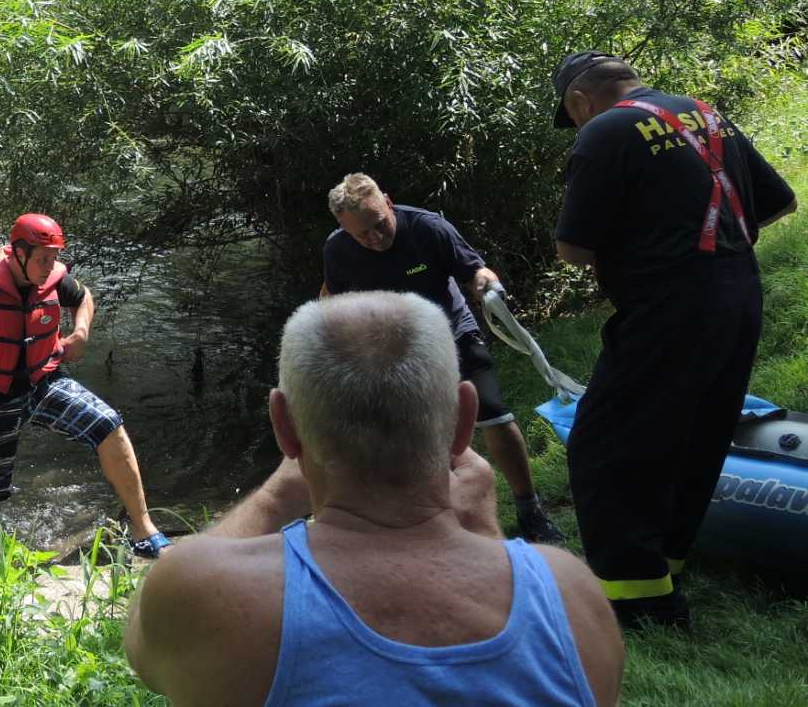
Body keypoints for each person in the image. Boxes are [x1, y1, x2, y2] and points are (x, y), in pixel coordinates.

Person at [123, 292, 623, 707]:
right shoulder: (570, 596)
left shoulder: (201, 591)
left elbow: (143, 651)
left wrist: (277, 495)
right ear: (464, 420)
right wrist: (482, 529)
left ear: (283, 425)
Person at [551, 51, 796, 628]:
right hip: (739, 295)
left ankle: (638, 603)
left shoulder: (605, 131)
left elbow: (573, 248)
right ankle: (666, 564)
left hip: (668, 306)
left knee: (604, 445)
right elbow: (781, 202)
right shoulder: (703, 114)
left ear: (581, 102)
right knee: (697, 434)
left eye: (573, 115)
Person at [320, 172, 564, 544]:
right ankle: (435, 518)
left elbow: (475, 271)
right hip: (394, 348)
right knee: (416, 435)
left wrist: (487, 286)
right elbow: (333, 298)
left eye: (379, 224)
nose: (375, 238)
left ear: (387, 201)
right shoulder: (337, 249)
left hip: (452, 333)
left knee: (494, 415)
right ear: (344, 229)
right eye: (362, 234)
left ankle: (530, 508)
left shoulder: (428, 229)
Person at [0, 213, 171, 557]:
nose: (50, 266)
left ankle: (143, 527)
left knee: (108, 424)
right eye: (42, 259)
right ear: (18, 253)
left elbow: (83, 297)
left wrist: (81, 332)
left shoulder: (52, 280)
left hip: (42, 381)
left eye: (54, 258)